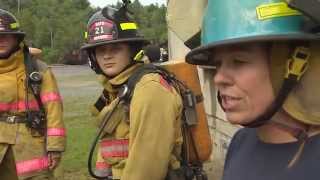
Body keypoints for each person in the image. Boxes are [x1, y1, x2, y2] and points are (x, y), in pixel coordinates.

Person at [186, 0, 320, 180]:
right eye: (217, 64)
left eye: (239, 61)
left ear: (297, 64)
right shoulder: (241, 142)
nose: (218, 78)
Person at [81, 6, 183, 180]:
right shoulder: (118, 88)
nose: (107, 56)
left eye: (116, 48)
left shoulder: (149, 89)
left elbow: (146, 169)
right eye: (100, 50)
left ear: (132, 49)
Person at [0, 9, 65, 179]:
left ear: (17, 38)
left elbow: (54, 109)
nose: (0, 41)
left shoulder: (38, 69)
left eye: (5, 36)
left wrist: (55, 147)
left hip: (31, 147)